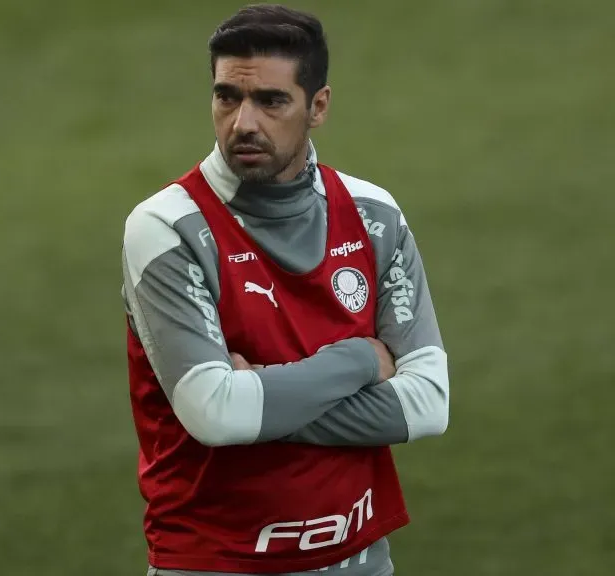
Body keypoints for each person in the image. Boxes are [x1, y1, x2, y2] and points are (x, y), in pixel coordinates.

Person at [121, 4, 450, 576]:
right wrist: (359, 359)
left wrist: (257, 396)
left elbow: (427, 404)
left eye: (271, 101)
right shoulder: (167, 228)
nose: (243, 122)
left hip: (360, 560)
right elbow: (215, 414)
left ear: (317, 106)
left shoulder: (374, 215)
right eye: (227, 97)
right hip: (214, 564)